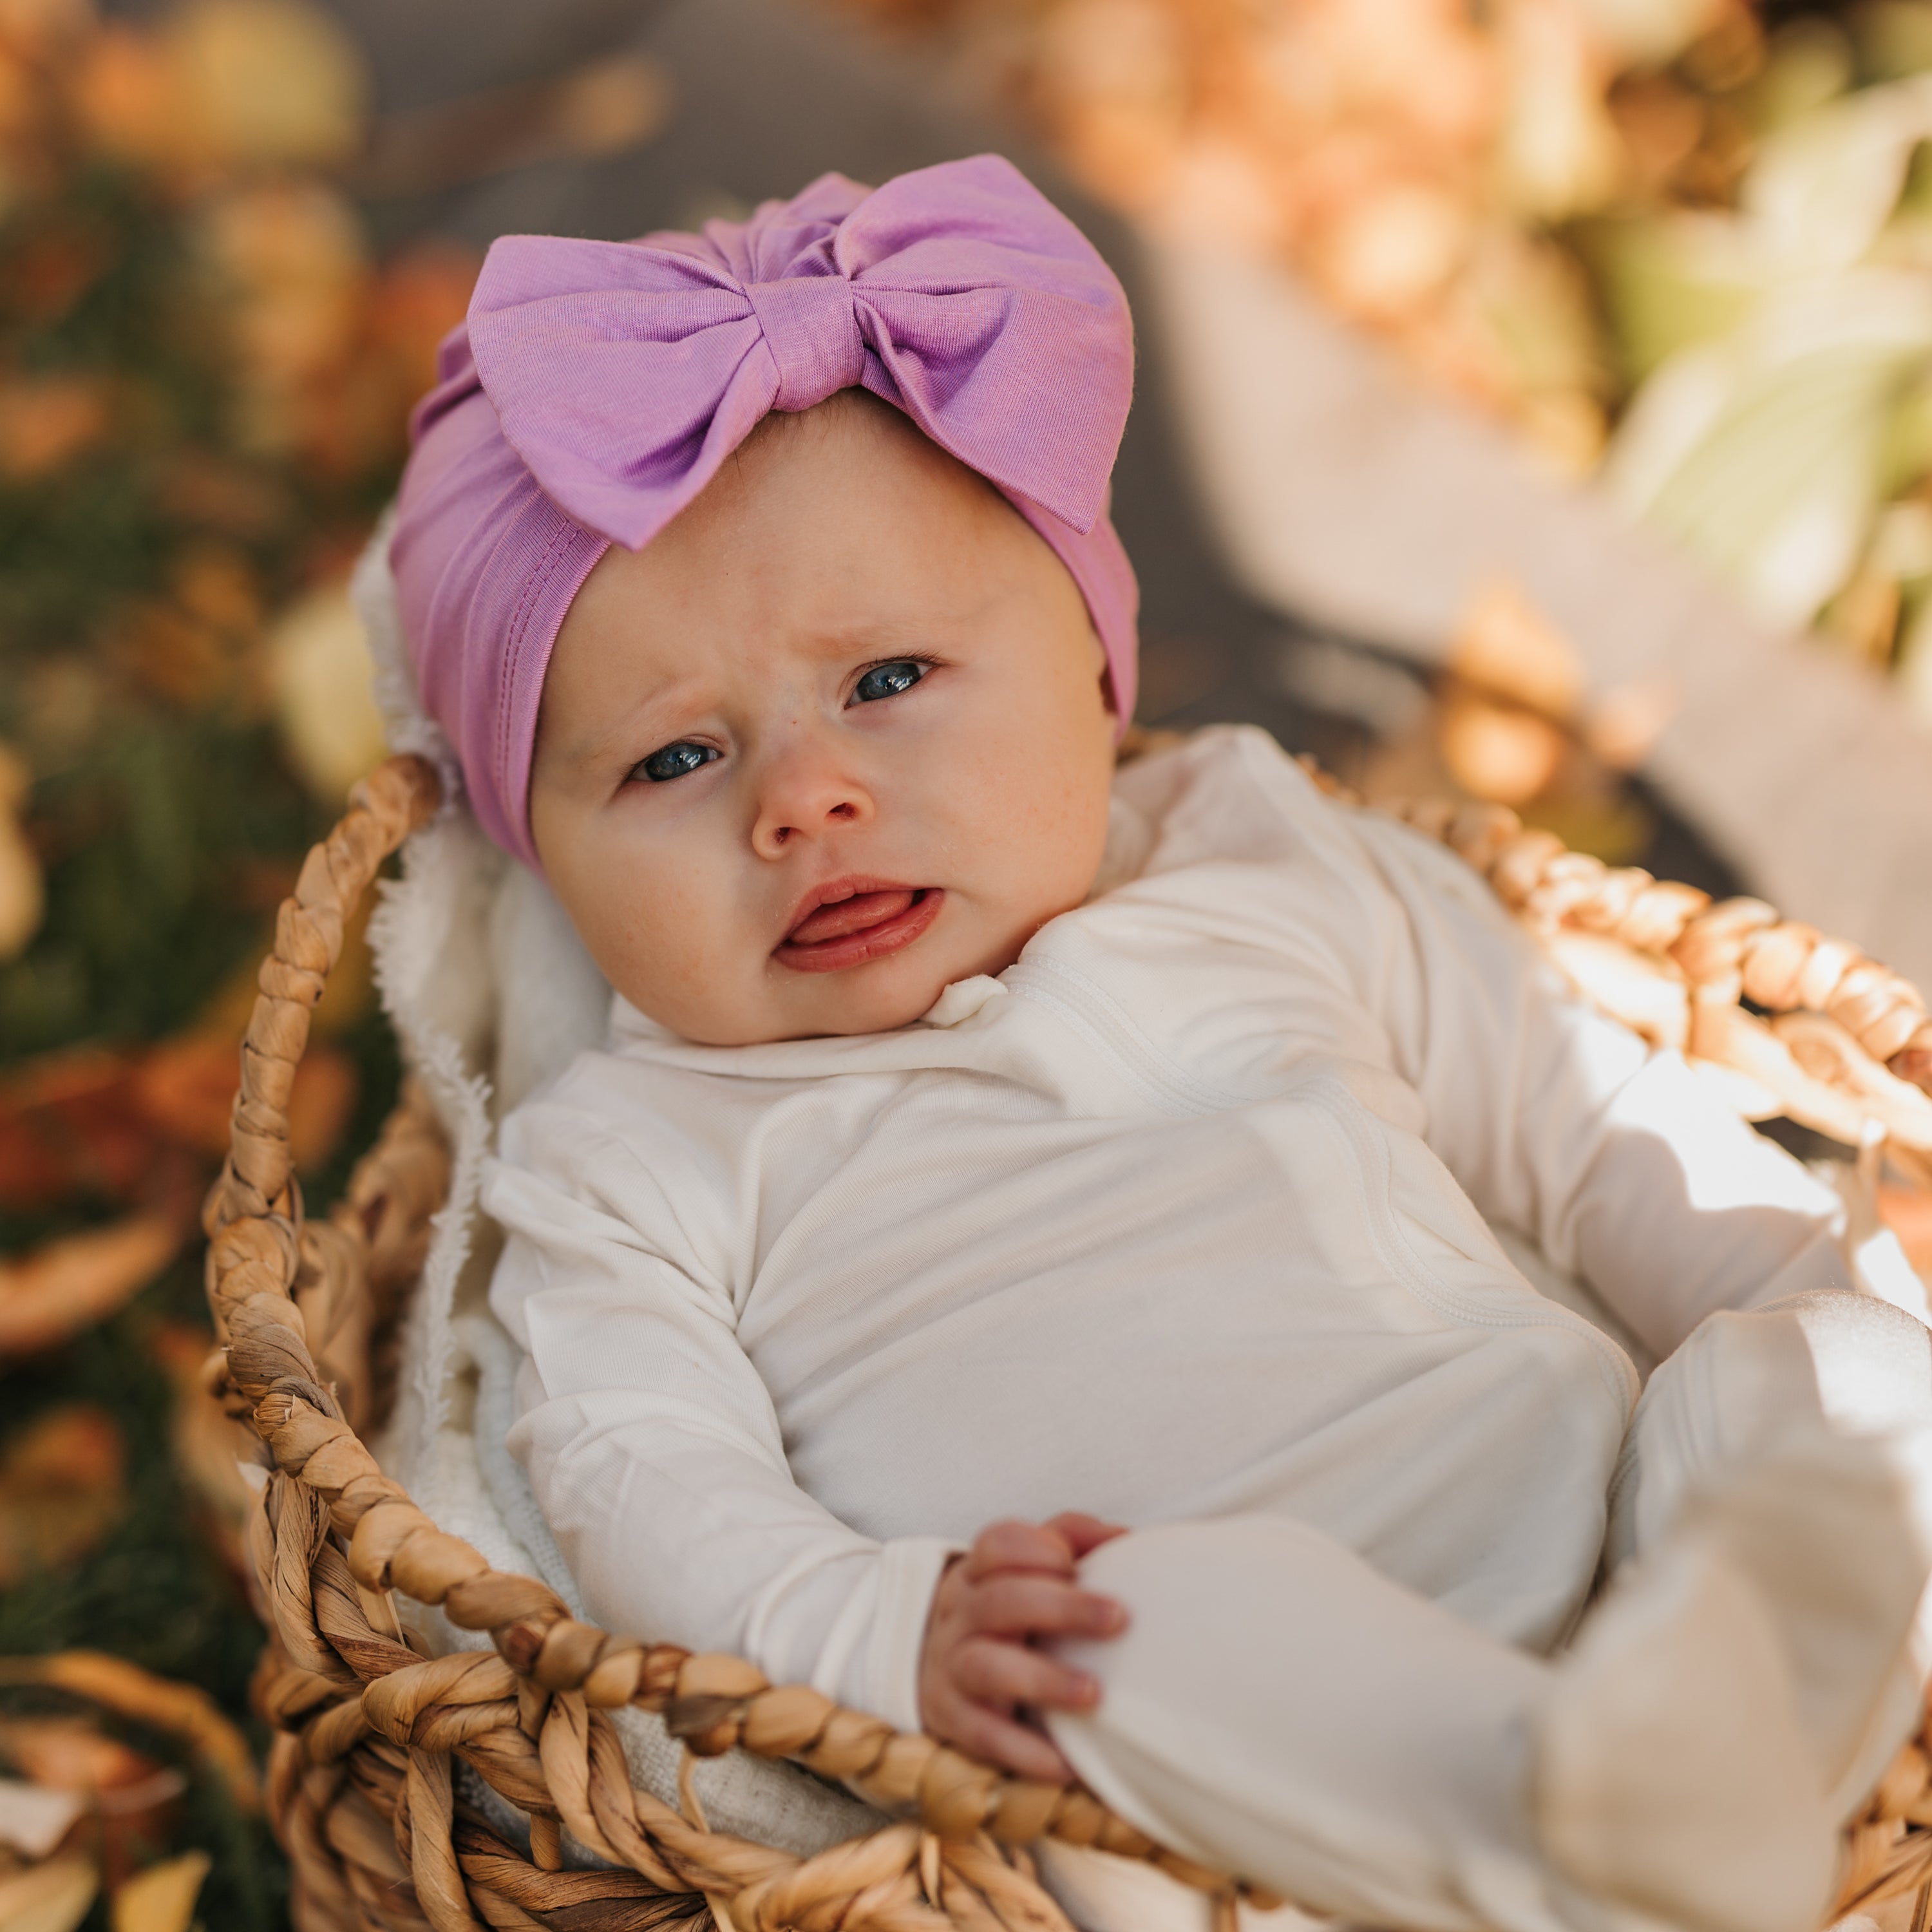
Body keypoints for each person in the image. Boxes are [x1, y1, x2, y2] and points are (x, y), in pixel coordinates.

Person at [389, 155, 1932, 1932]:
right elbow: (632, 1469)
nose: (807, 799)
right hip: (1199, 1715)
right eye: (671, 761)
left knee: (1821, 1384)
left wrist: (1800, 1293)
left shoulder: (1258, 855)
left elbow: (1582, 1126)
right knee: (1129, 1648)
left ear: (1094, 667)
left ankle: (1711, 1768)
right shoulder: (633, 1155)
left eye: (888, 680)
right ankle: (1586, 1847)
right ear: (539, 853)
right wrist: (886, 1627)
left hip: (1592, 1516)